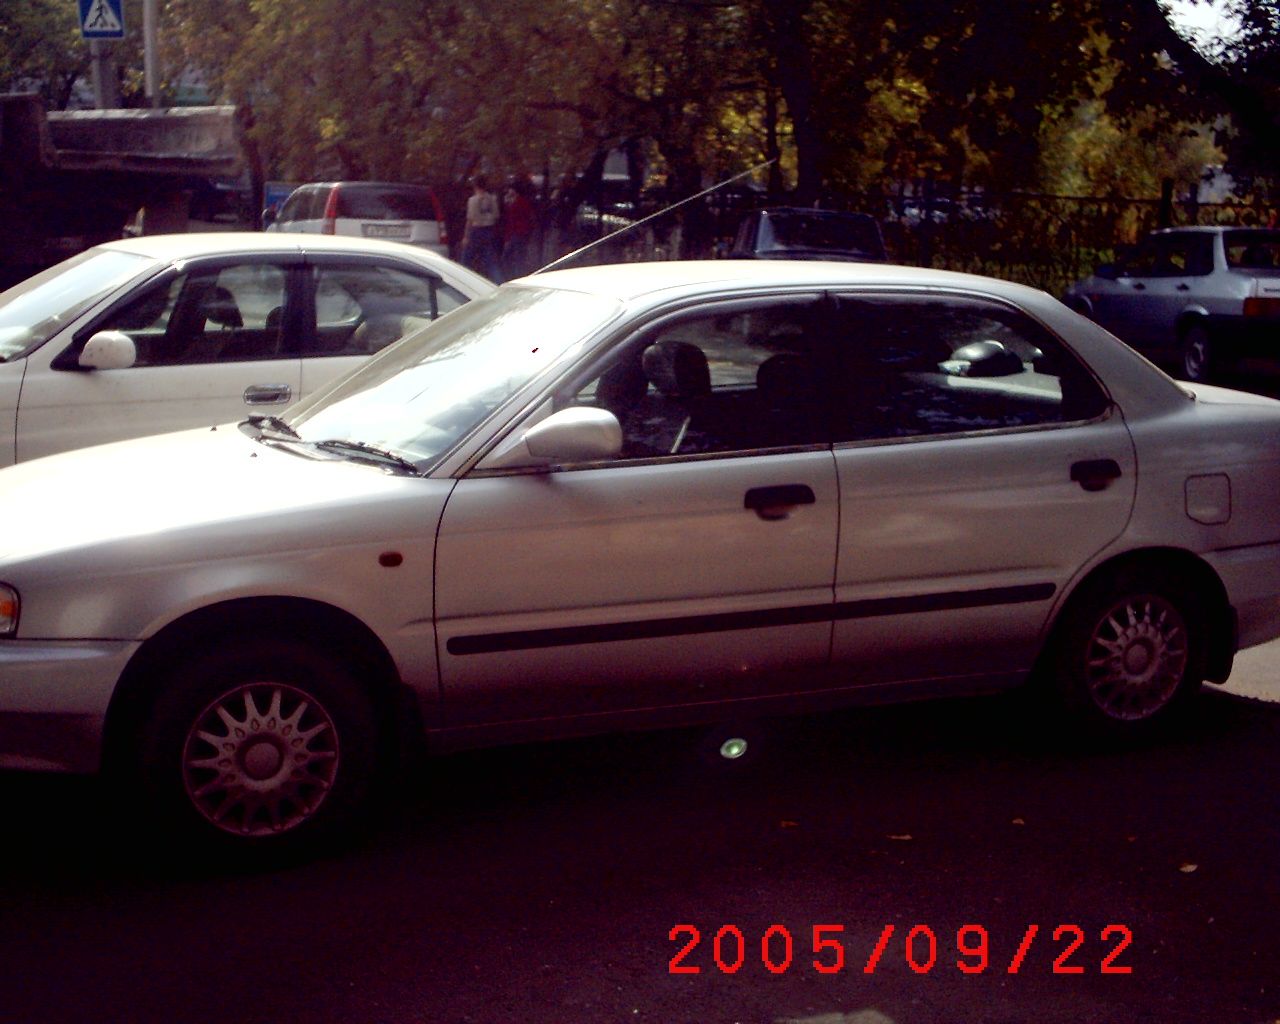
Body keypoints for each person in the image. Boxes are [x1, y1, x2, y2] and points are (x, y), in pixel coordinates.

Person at [462, 175, 501, 280]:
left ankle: (462, 278)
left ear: (475, 186)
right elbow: (496, 215)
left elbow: (470, 219)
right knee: (491, 261)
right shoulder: (492, 199)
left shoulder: (472, 200)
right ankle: (498, 281)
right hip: (489, 229)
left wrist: (466, 236)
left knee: (466, 259)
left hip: (476, 229)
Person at [502, 176, 538, 279]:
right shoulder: (525, 202)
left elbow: (511, 221)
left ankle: (515, 276)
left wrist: (507, 237)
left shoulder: (515, 203)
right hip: (523, 232)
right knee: (520, 257)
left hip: (516, 233)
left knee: (511, 257)